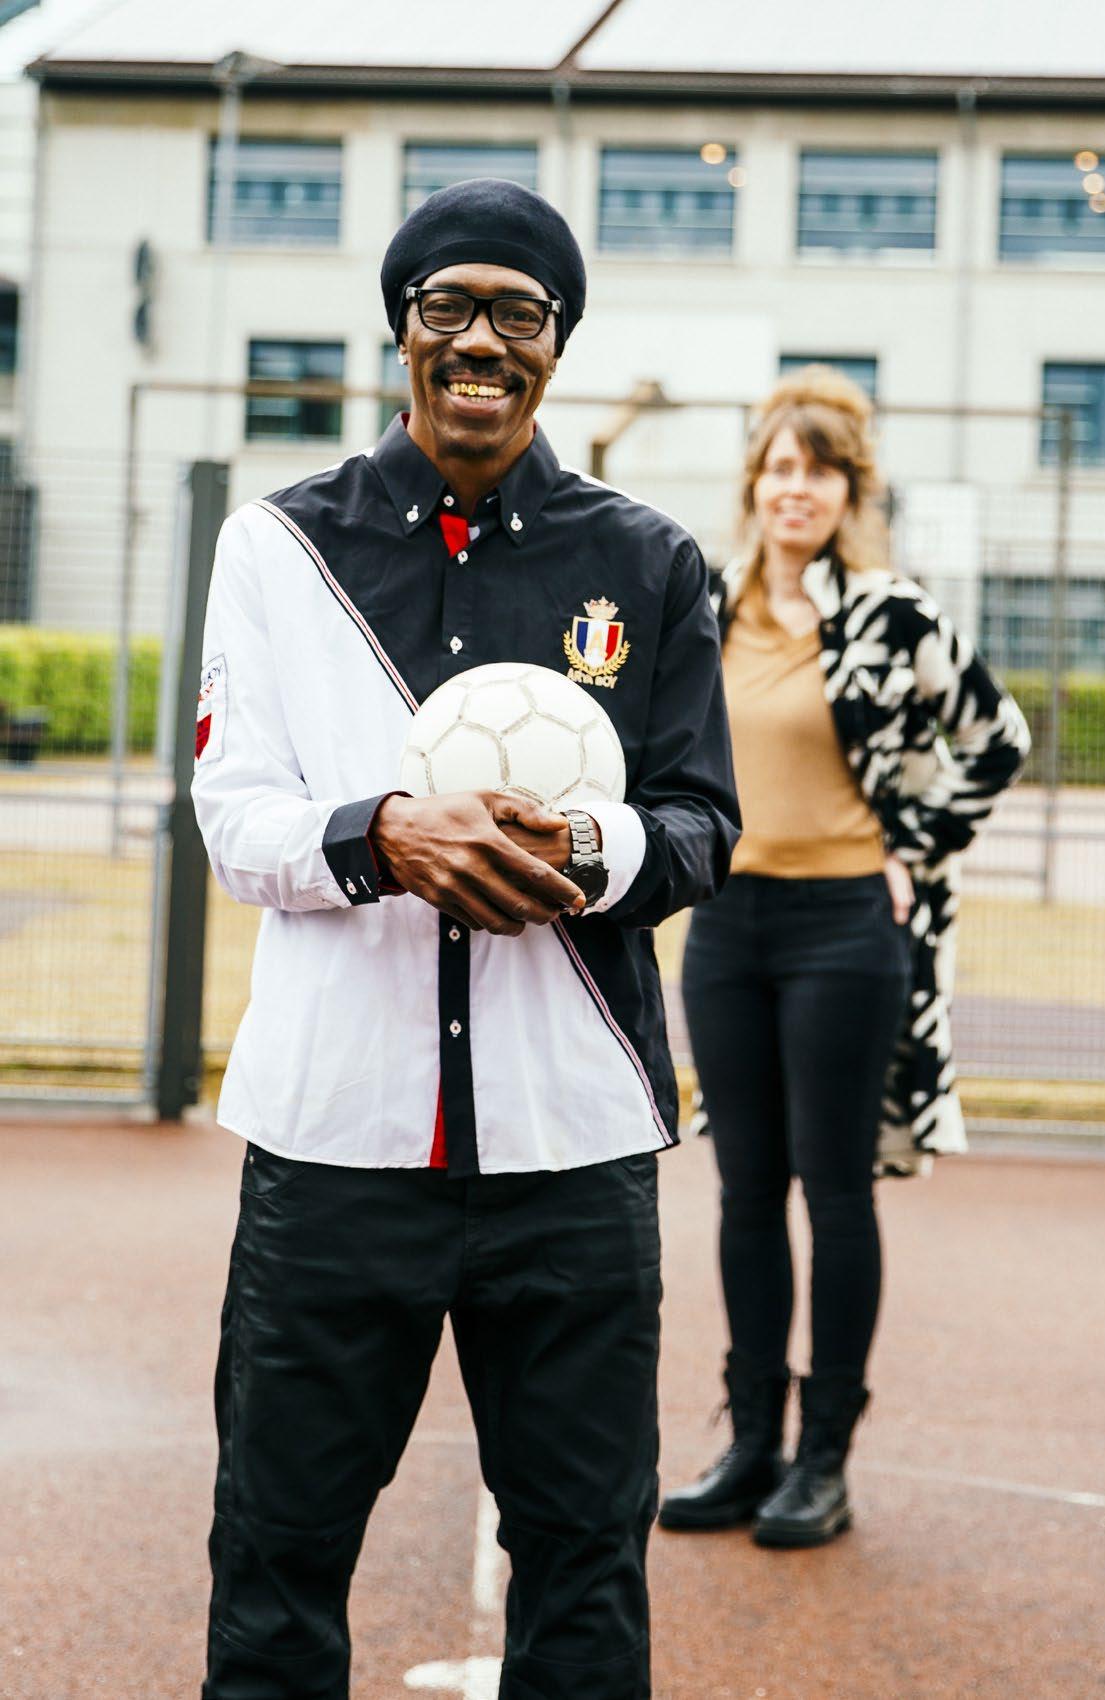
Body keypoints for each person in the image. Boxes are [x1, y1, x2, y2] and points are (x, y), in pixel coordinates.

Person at [191, 178, 739, 1700]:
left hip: (571, 1151)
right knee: (277, 1558)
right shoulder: (276, 546)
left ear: (557, 343)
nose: (481, 340)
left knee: (585, 1564)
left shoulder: (648, 559)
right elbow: (234, 818)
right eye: (448, 306)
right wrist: (387, 836)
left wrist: (581, 852)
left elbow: (701, 824)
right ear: (403, 328)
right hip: (334, 1145)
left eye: (519, 313)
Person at [658, 367, 1030, 1549]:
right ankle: (751, 1446)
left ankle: (823, 1460)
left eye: (819, 472)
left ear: (849, 492)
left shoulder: (892, 613)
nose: (797, 489)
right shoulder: (705, 602)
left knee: (833, 1188)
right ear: (754, 484)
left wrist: (914, 843)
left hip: (845, 929)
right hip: (727, 925)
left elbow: (998, 734)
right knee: (744, 1190)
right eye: (780, 467)